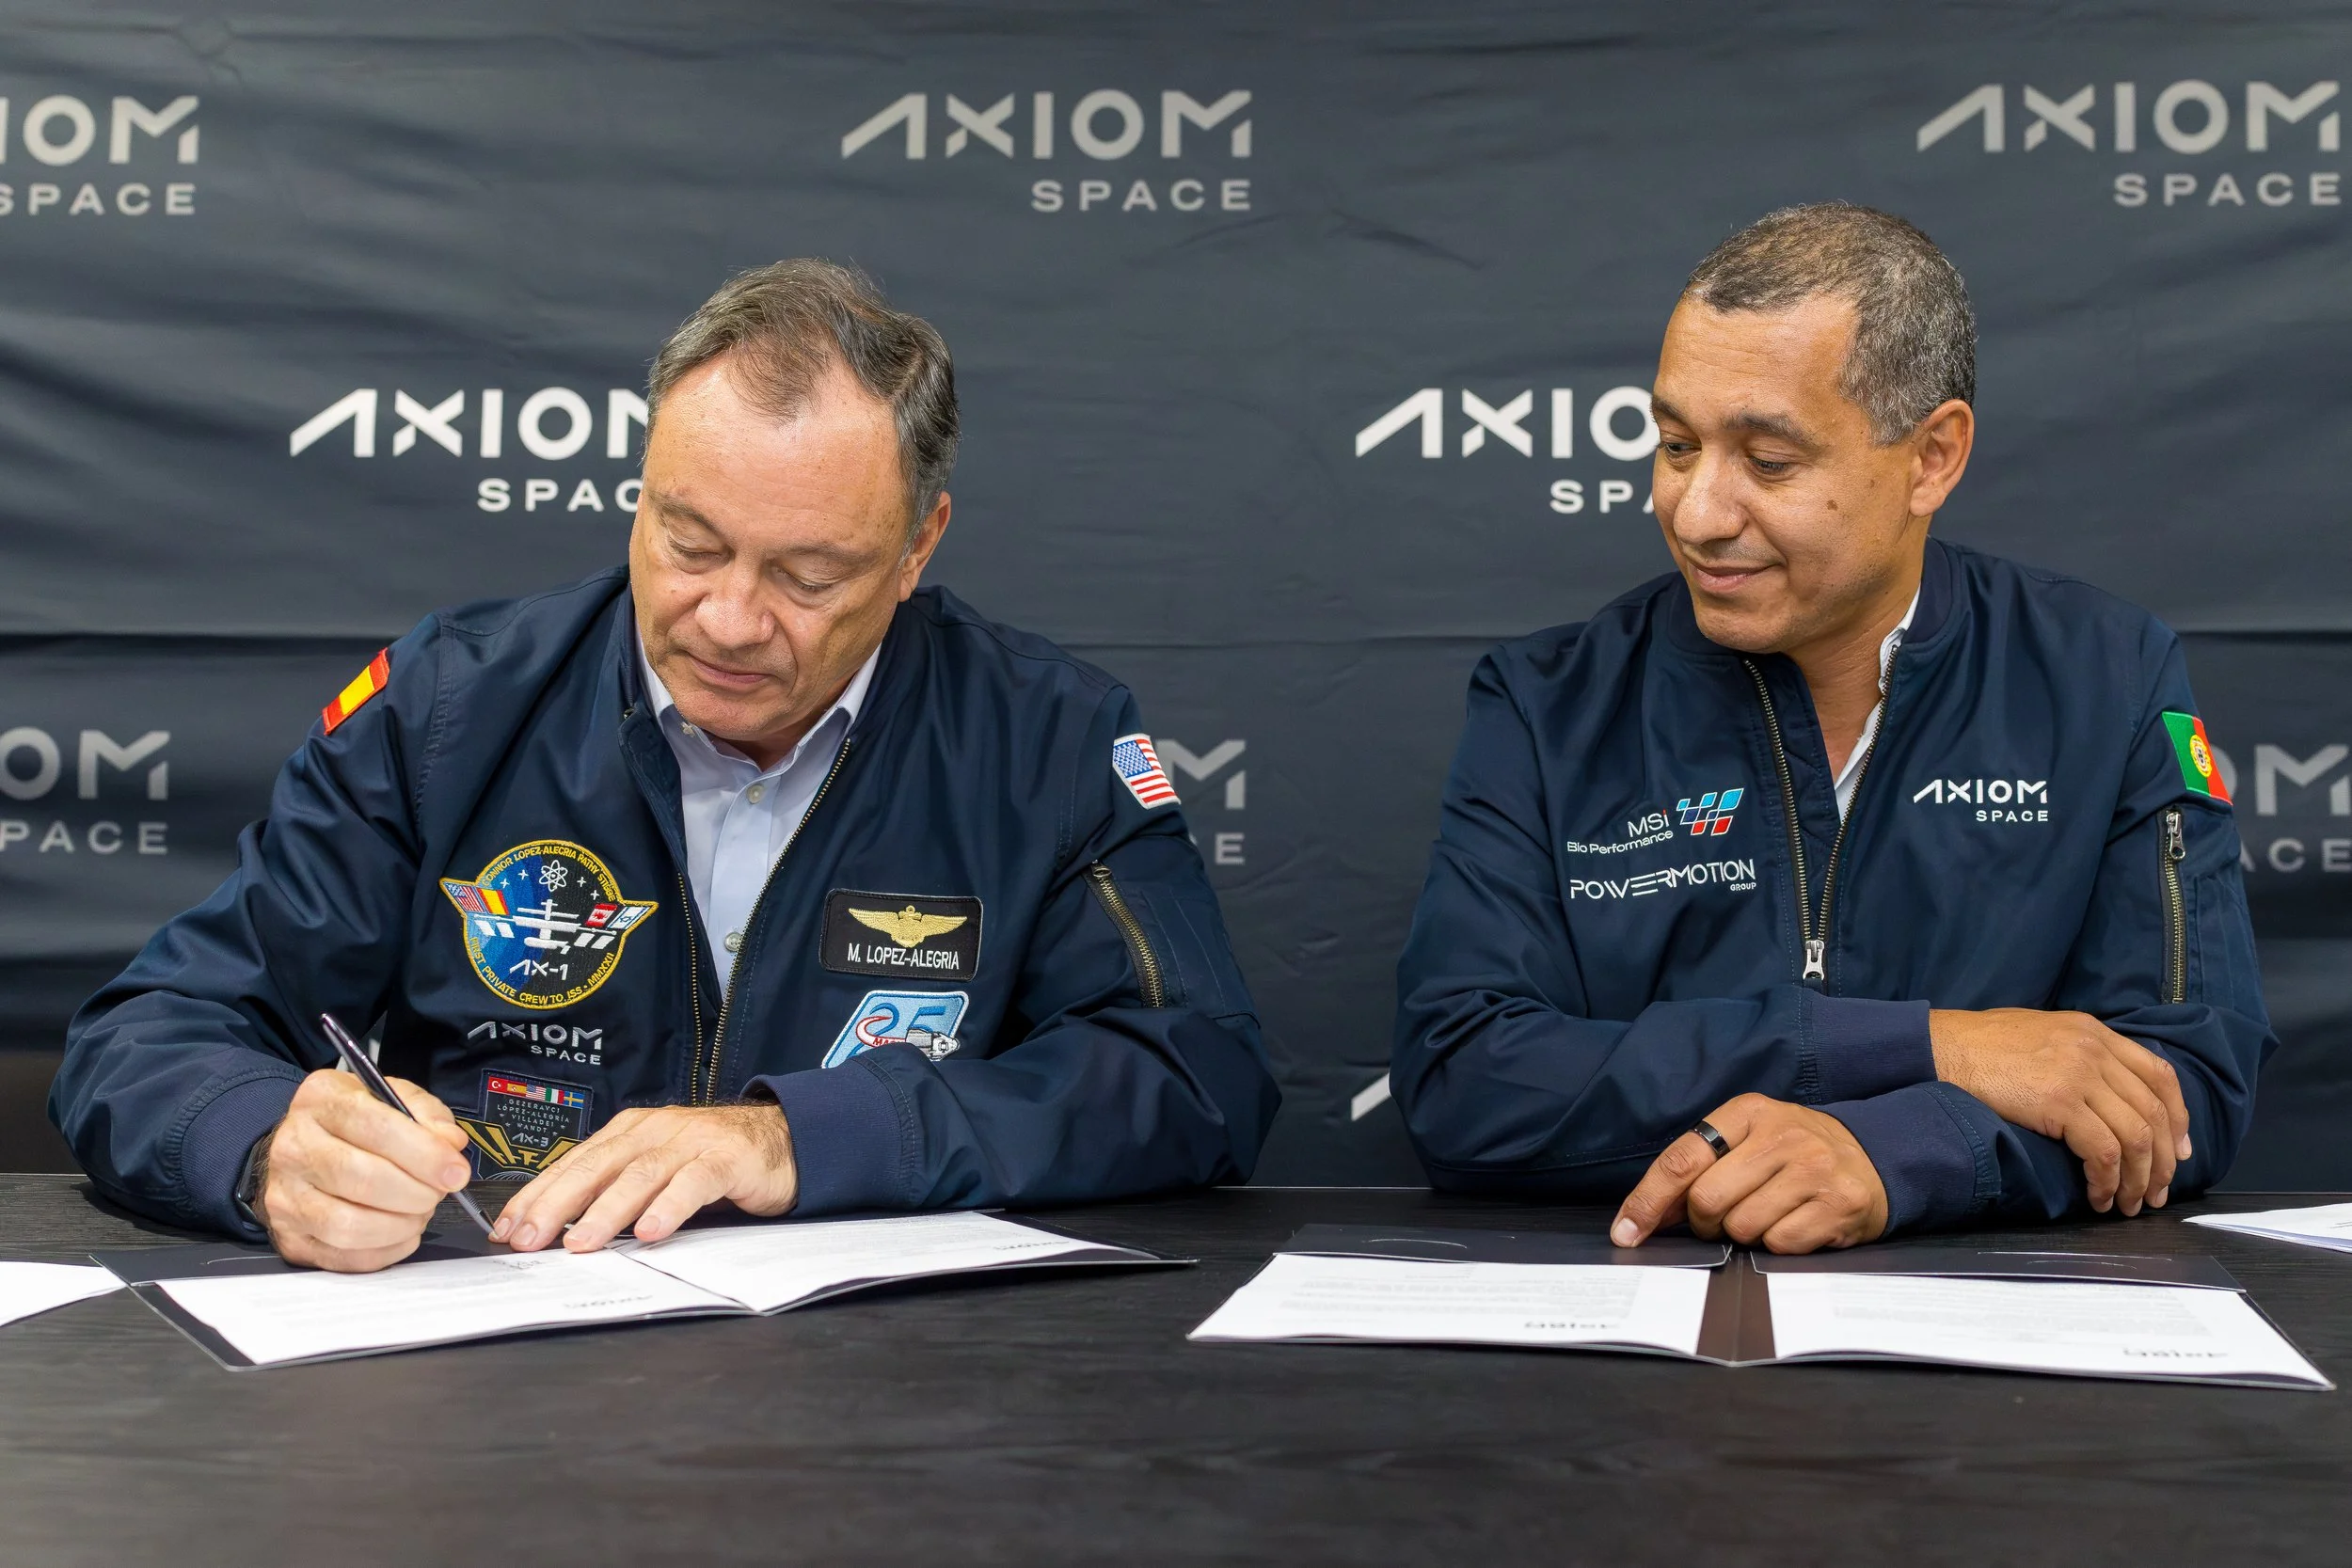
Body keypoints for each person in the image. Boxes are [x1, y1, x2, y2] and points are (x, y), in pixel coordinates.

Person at [53, 260, 1277, 1272]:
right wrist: (268, 1146)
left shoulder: (1046, 738)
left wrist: (804, 1137)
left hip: (898, 1404)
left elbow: (1197, 1070)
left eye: (808, 576)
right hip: (483, 1379)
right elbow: (153, 1031)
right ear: (638, 485)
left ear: (918, 547)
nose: (730, 618)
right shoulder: (451, 704)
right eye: (689, 541)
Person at [1390, 203, 2270, 1255]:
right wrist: (1930, 1047)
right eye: (1674, 444)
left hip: (1992, 1379)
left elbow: (2180, 1086)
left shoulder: (2106, 674)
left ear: (1931, 457)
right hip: (1635, 1365)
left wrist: (1896, 1156)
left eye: (1766, 461)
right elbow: (1466, 1080)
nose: (1697, 511)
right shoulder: (1546, 701)